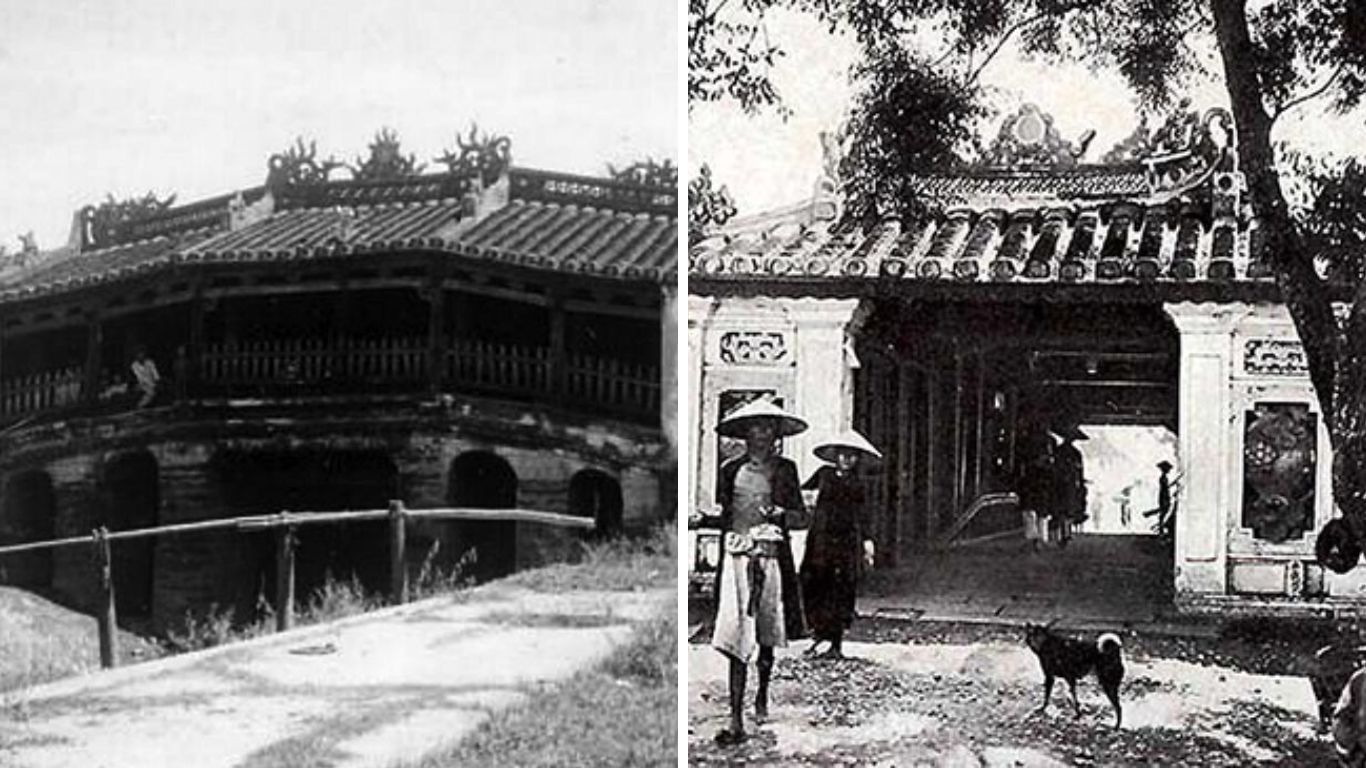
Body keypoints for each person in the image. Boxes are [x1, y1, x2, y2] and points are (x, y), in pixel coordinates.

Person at [692, 398, 809, 746]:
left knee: (766, 633)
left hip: (771, 557)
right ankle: (735, 717)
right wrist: (702, 521)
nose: (763, 434)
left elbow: (801, 517)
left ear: (777, 435)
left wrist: (778, 514)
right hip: (736, 559)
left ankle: (762, 694)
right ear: (745, 434)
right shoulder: (730, 470)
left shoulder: (785, 470)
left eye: (769, 428)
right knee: (734, 636)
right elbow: (728, 515)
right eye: (756, 427)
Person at [800, 428, 880, 660]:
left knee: (840, 589)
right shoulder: (823, 474)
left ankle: (836, 642)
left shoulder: (859, 484)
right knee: (814, 583)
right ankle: (817, 634)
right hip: (820, 539)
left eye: (852, 455)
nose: (847, 459)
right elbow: (803, 493)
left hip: (845, 542)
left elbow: (864, 514)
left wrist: (867, 541)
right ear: (835, 455)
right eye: (843, 454)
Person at [1016, 426, 1055, 551]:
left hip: (1032, 481)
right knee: (1039, 511)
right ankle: (1040, 538)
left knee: (1032, 510)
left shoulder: (1024, 442)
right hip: (1040, 481)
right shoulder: (1049, 442)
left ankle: (1034, 538)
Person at [1051, 423, 1088, 547]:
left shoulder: (1059, 451)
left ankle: (1063, 533)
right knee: (1067, 508)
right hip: (1067, 484)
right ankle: (1065, 532)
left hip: (1060, 483)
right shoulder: (1075, 453)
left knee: (1062, 509)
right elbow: (1079, 471)